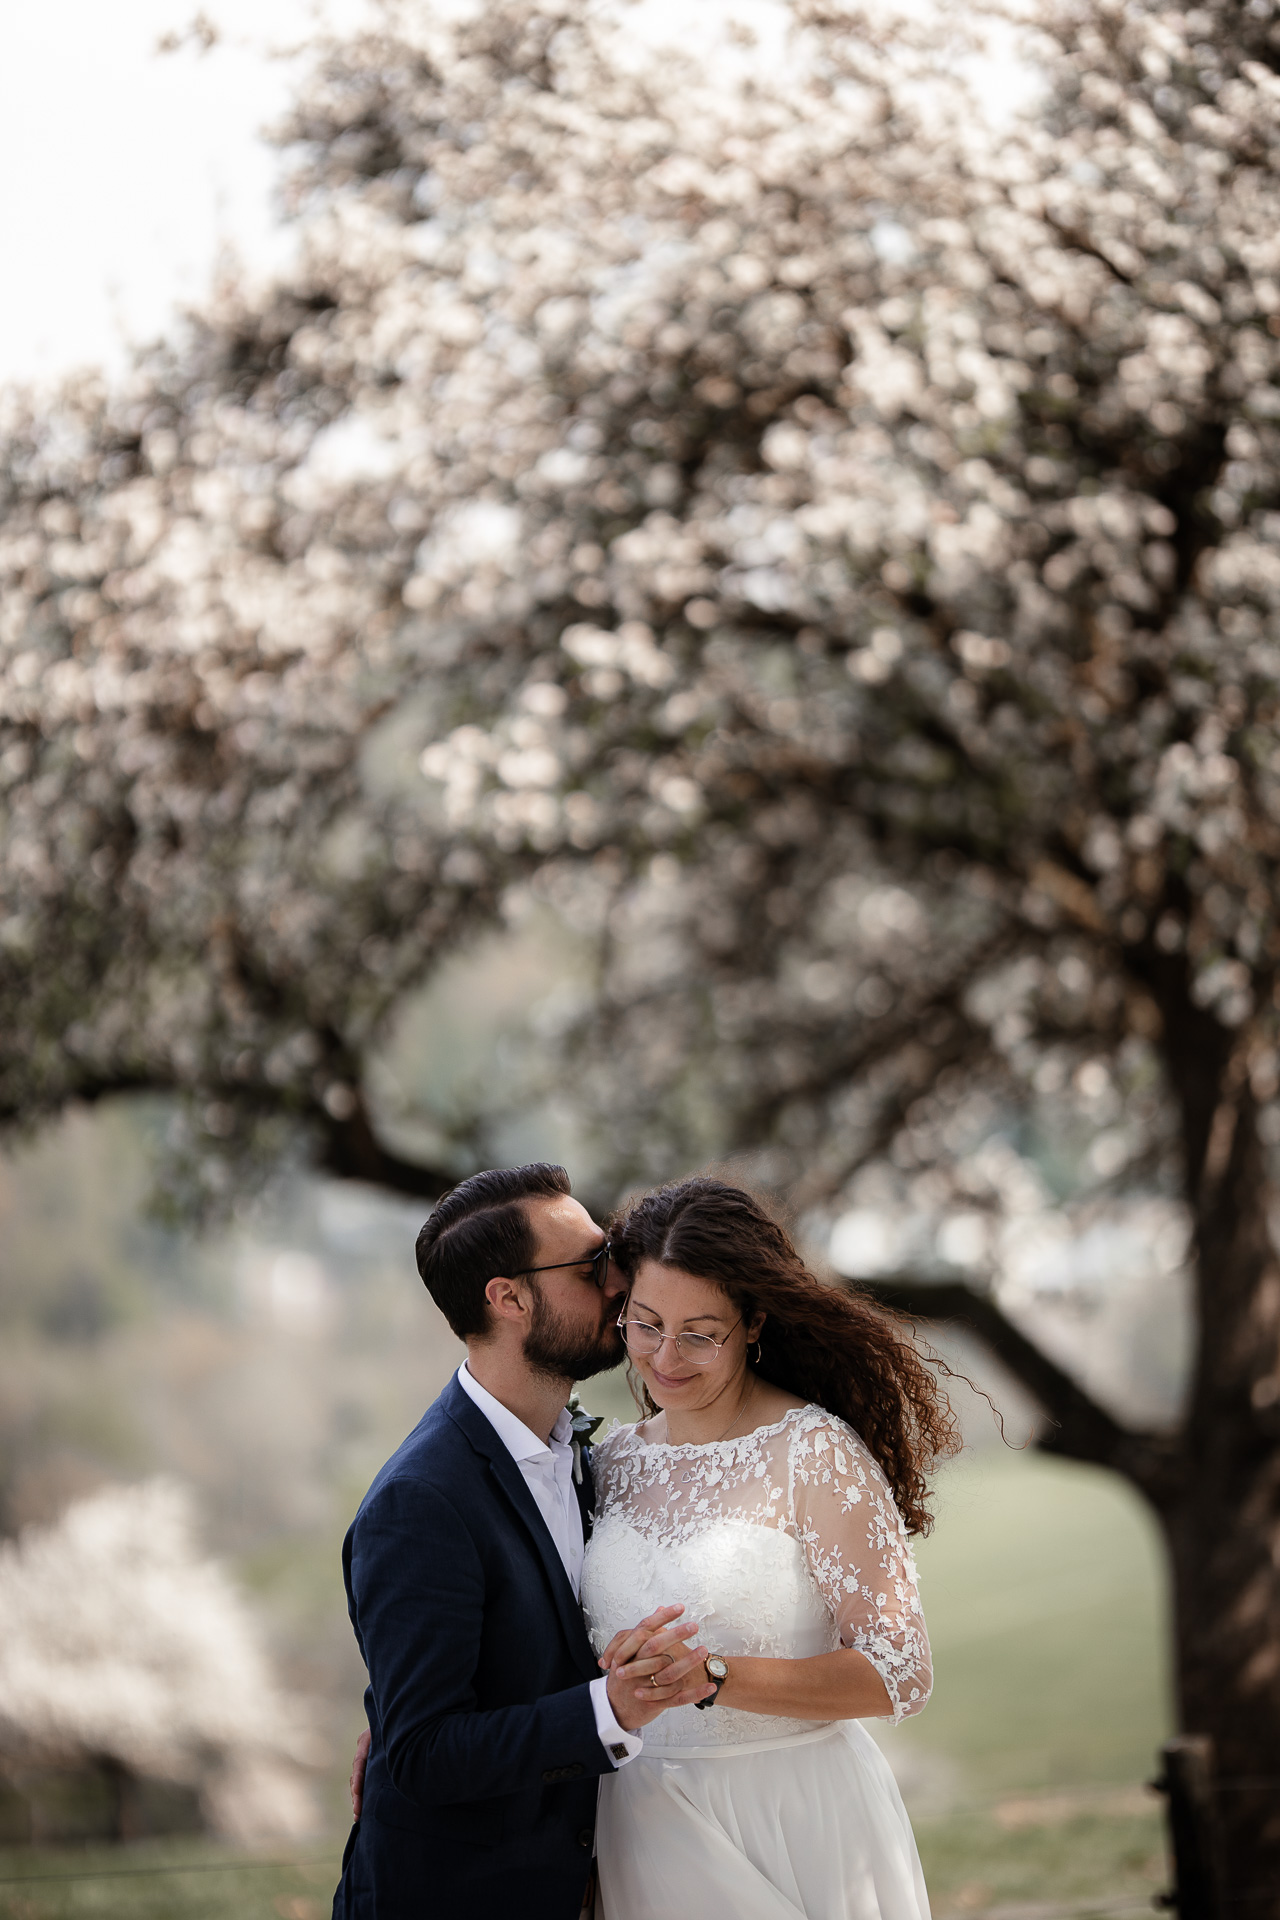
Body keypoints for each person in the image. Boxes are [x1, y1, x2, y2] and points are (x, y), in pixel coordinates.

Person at [331, 1163, 714, 1920]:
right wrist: (610, 1708)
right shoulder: (419, 1500)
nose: (620, 1284)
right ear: (507, 1298)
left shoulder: (576, 1451)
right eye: (591, 1266)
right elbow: (420, 1754)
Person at [582, 1175, 956, 1920]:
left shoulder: (814, 1452)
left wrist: (714, 1675)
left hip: (795, 1825)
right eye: (646, 1323)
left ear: (753, 1323)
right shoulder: (607, 1465)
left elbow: (902, 1673)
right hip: (638, 1825)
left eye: (700, 1333)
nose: (664, 1357)